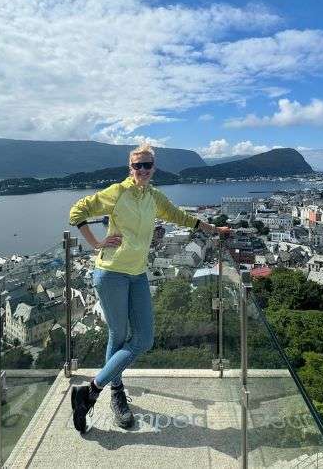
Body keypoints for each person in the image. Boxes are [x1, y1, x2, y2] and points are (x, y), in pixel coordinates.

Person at [67, 144, 228, 433]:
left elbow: (183, 218)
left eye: (147, 165)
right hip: (111, 273)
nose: (142, 170)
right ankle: (116, 394)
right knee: (118, 335)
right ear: (130, 168)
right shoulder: (118, 192)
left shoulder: (154, 197)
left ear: (154, 168)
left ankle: (90, 391)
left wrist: (215, 231)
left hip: (138, 274)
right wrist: (96, 243)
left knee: (143, 339)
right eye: (137, 165)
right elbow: (78, 210)